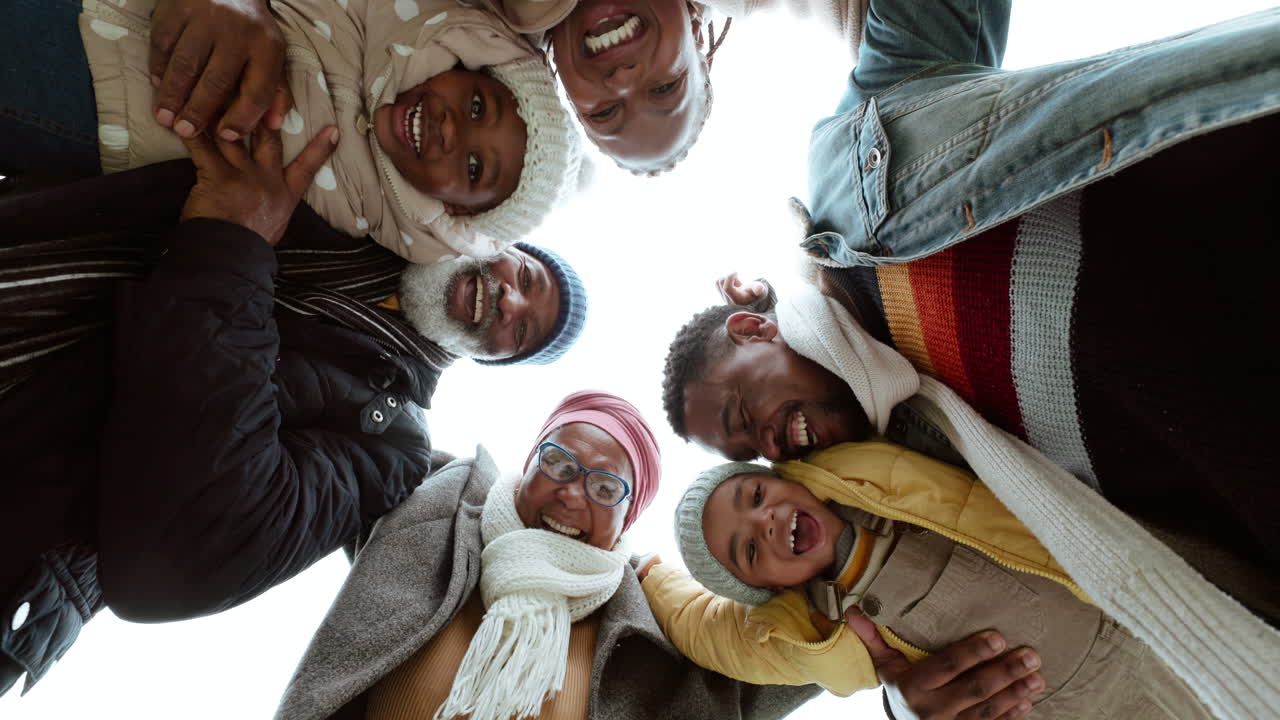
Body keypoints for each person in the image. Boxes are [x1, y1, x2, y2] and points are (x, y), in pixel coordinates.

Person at [0, 119, 587, 695]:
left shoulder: (390, 444)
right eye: (527, 276)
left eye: (524, 335)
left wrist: (230, 250)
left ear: (491, 361)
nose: (510, 301)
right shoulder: (357, 208)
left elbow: (181, 557)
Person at [662, 282, 1280, 719]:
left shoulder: (889, 287)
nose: (771, 446)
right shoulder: (859, 470)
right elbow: (729, 636)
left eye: (743, 413)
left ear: (752, 328)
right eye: (749, 453)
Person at [274, 390, 818, 720]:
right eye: (558, 464)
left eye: (607, 489)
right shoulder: (435, 503)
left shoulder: (665, 625)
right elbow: (345, 428)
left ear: (627, 521)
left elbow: (811, 641)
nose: (573, 493)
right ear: (530, 460)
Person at [3, 0, 584, 264]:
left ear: (455, 209)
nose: (454, 132)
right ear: (469, 65)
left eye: (476, 169)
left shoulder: (353, 234)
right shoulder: (375, 15)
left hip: (89, 130)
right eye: (479, 106)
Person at [651, 453, 1215, 719]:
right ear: (767, 589)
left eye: (754, 496)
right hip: (1073, 704)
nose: (766, 521)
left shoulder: (876, 469)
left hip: (1131, 591)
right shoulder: (814, 630)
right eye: (748, 550)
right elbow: (709, 632)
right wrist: (645, 573)